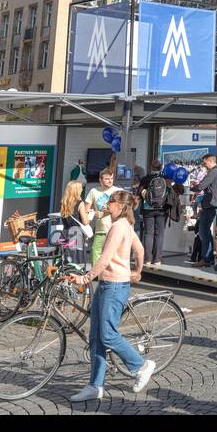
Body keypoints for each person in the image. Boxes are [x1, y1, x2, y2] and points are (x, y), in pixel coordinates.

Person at [68, 192, 155, 402]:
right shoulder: (125, 225)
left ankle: (141, 365)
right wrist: (138, 271)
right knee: (96, 336)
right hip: (108, 284)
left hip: (114, 286)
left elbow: (104, 259)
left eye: (111, 202)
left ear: (121, 206)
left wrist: (85, 278)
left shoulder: (118, 227)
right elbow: (140, 249)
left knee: (106, 335)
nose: (107, 204)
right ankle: (95, 386)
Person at [86, 169, 121, 265]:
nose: (110, 181)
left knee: (114, 254)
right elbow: (86, 210)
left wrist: (107, 212)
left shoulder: (118, 191)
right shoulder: (93, 191)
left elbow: (125, 209)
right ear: (100, 180)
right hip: (100, 229)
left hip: (115, 228)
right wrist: (94, 212)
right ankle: (96, 275)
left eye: (112, 178)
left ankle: (111, 275)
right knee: (95, 251)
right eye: (107, 179)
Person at [190, 154, 217, 266]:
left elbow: (201, 186)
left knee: (203, 232)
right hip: (211, 205)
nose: (204, 165)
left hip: (210, 205)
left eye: (205, 162)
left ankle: (205, 258)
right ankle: (208, 259)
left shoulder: (213, 172)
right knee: (206, 232)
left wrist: (192, 187)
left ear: (211, 161)